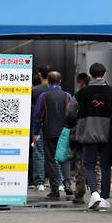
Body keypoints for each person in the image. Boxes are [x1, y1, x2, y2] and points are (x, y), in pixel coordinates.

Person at [74, 63, 112, 210]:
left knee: (89, 165)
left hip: (88, 132)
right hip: (107, 133)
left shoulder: (81, 93)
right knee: (105, 166)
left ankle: (94, 193)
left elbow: (70, 111)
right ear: (104, 74)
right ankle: (104, 197)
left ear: (90, 75)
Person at [33, 71, 73, 200]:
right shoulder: (67, 96)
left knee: (50, 160)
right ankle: (67, 183)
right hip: (64, 132)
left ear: (48, 82)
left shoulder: (44, 96)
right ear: (60, 81)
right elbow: (72, 113)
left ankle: (55, 188)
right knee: (65, 157)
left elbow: (38, 115)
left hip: (49, 131)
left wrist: (36, 132)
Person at [31, 64, 52, 192]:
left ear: (40, 75)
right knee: (54, 154)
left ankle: (40, 182)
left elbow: (34, 111)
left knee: (39, 153)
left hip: (39, 125)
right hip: (54, 126)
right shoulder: (58, 90)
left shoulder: (35, 90)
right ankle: (57, 181)